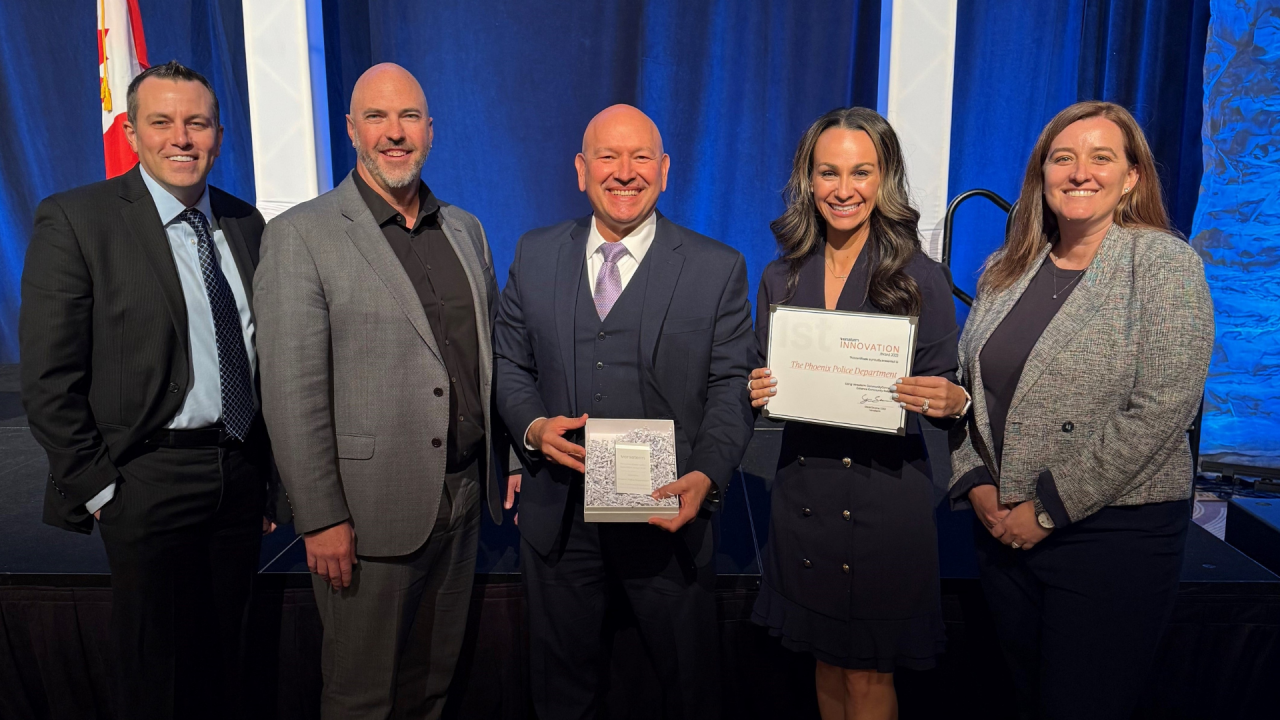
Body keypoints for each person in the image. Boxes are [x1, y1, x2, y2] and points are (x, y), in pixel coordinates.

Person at [19, 61, 277, 719]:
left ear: (219, 135)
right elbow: (49, 379)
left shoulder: (249, 225)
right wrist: (103, 491)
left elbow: (265, 358)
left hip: (240, 472)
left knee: (232, 662)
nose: (181, 138)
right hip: (144, 478)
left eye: (197, 123)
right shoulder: (78, 220)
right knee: (156, 672)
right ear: (132, 132)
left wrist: (268, 477)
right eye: (162, 122)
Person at [254, 63, 508, 719]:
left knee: (431, 683)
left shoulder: (466, 228)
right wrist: (320, 517)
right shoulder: (301, 236)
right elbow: (291, 392)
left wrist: (501, 459)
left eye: (408, 118)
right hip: (364, 520)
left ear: (430, 130)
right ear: (351, 130)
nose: (394, 134)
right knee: (362, 695)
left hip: (462, 497)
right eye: (377, 117)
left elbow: (485, 359)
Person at [948, 101, 1214, 719]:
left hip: (1110, 537)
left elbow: (1161, 408)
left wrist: (1045, 510)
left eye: (1102, 158)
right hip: (1003, 531)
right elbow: (971, 393)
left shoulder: (1164, 264)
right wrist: (976, 483)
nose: (1079, 172)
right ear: (1041, 175)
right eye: (1062, 158)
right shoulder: (1005, 270)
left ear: (1132, 177)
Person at [494, 104, 756, 719]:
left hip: (668, 514)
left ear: (664, 171)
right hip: (559, 517)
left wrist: (707, 474)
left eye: (641, 158)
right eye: (608, 157)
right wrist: (531, 427)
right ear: (581, 170)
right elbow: (510, 364)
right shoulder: (534, 254)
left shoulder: (718, 268)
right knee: (561, 697)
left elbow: (730, 385)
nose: (625, 172)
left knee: (689, 694)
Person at [747, 107, 967, 720]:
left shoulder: (922, 278)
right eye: (828, 173)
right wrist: (758, 387)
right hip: (805, 488)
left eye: (861, 172)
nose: (843, 190)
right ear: (807, 181)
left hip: (885, 496)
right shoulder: (780, 277)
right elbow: (763, 375)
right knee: (824, 663)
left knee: (869, 675)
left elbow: (949, 387)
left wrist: (952, 400)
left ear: (885, 178)